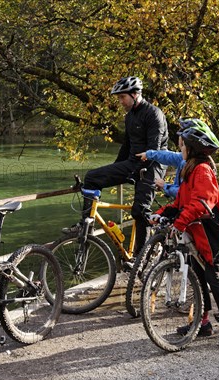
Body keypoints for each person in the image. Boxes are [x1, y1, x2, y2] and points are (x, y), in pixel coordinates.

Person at [149, 118, 219, 348]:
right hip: (195, 236)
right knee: (199, 278)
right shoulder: (190, 171)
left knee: (212, 278)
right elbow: (181, 202)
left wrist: (179, 223)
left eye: (182, 146)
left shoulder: (202, 171)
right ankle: (204, 322)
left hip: (210, 236)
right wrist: (160, 214)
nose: (179, 149)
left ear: (192, 148)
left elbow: (201, 203)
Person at [63, 76, 168, 255]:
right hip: (133, 162)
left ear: (135, 94)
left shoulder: (153, 114)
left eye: (122, 97)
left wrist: (135, 171)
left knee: (139, 210)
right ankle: (85, 226)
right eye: (118, 98)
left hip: (153, 165)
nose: (120, 101)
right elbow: (126, 147)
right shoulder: (130, 117)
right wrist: (113, 170)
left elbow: (154, 150)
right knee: (92, 177)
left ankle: (141, 256)